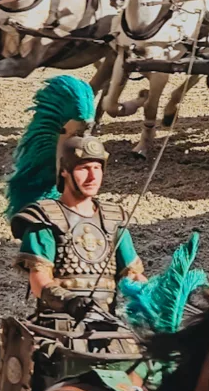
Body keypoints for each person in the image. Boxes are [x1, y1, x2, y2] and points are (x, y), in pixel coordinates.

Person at [11, 134, 145, 326]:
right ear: (65, 170)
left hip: (107, 322)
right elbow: (39, 279)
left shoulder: (114, 219)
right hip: (58, 323)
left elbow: (132, 275)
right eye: (84, 168)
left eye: (97, 168)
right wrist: (70, 302)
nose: (92, 177)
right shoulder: (45, 218)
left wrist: (154, 294)